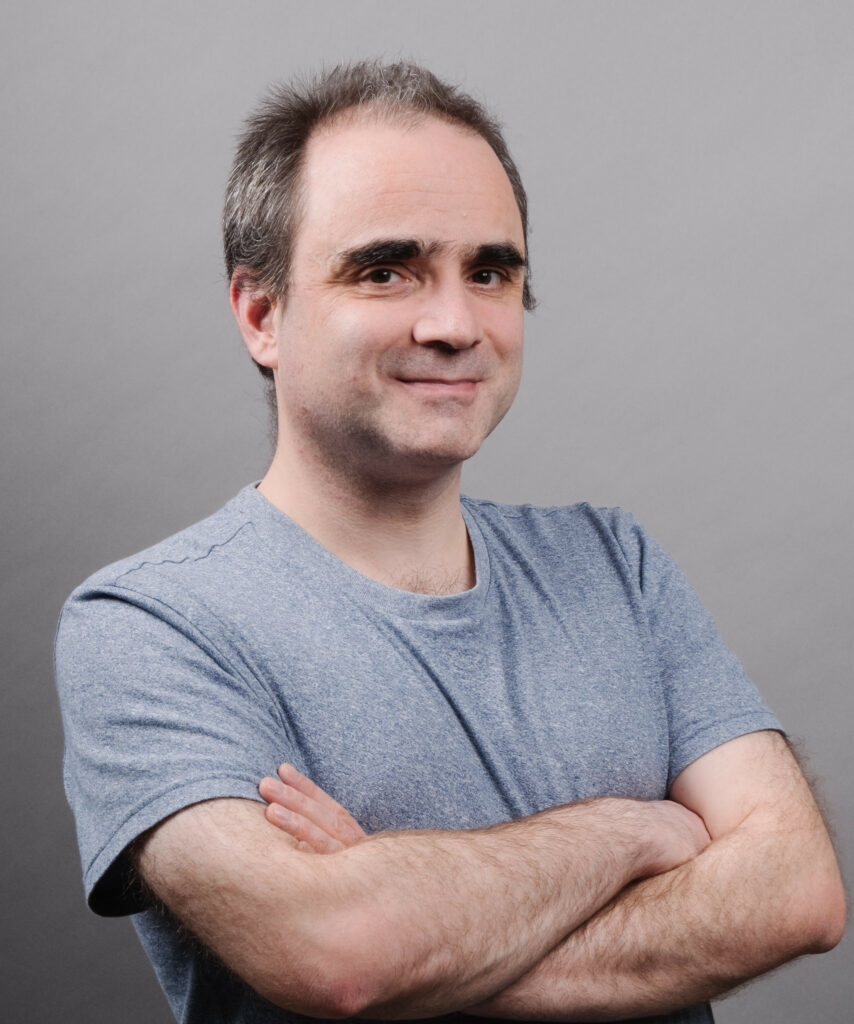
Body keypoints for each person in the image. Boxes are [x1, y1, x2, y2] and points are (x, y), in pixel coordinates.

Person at [54, 61, 845, 1024]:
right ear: (262, 314)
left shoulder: (614, 564)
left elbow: (797, 892)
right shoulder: (149, 625)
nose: (455, 324)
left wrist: (416, 934)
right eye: (385, 271)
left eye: (490, 273)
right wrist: (631, 833)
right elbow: (339, 956)